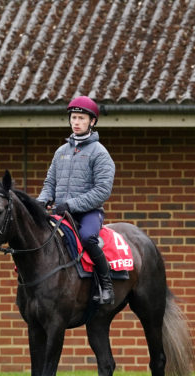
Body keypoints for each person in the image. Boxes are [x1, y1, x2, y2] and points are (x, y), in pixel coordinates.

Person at [37, 95, 116, 305]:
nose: (76, 122)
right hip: (61, 212)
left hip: (88, 212)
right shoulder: (60, 152)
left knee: (88, 237)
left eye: (81, 118)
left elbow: (102, 191)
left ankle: (105, 284)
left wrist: (71, 205)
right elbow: (49, 184)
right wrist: (42, 201)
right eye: (73, 118)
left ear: (92, 122)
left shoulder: (100, 154)